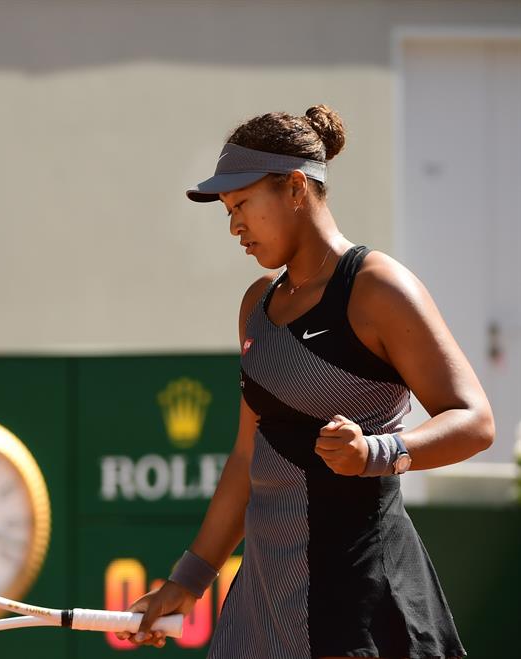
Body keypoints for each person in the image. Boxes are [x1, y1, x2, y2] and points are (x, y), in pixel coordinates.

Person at [121, 105, 493, 659]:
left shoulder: (379, 289)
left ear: (295, 188)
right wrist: (189, 581)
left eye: (242, 204)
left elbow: (475, 422)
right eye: (227, 211)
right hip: (261, 604)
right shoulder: (256, 306)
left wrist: (377, 451)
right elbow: (247, 459)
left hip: (360, 599)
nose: (234, 226)